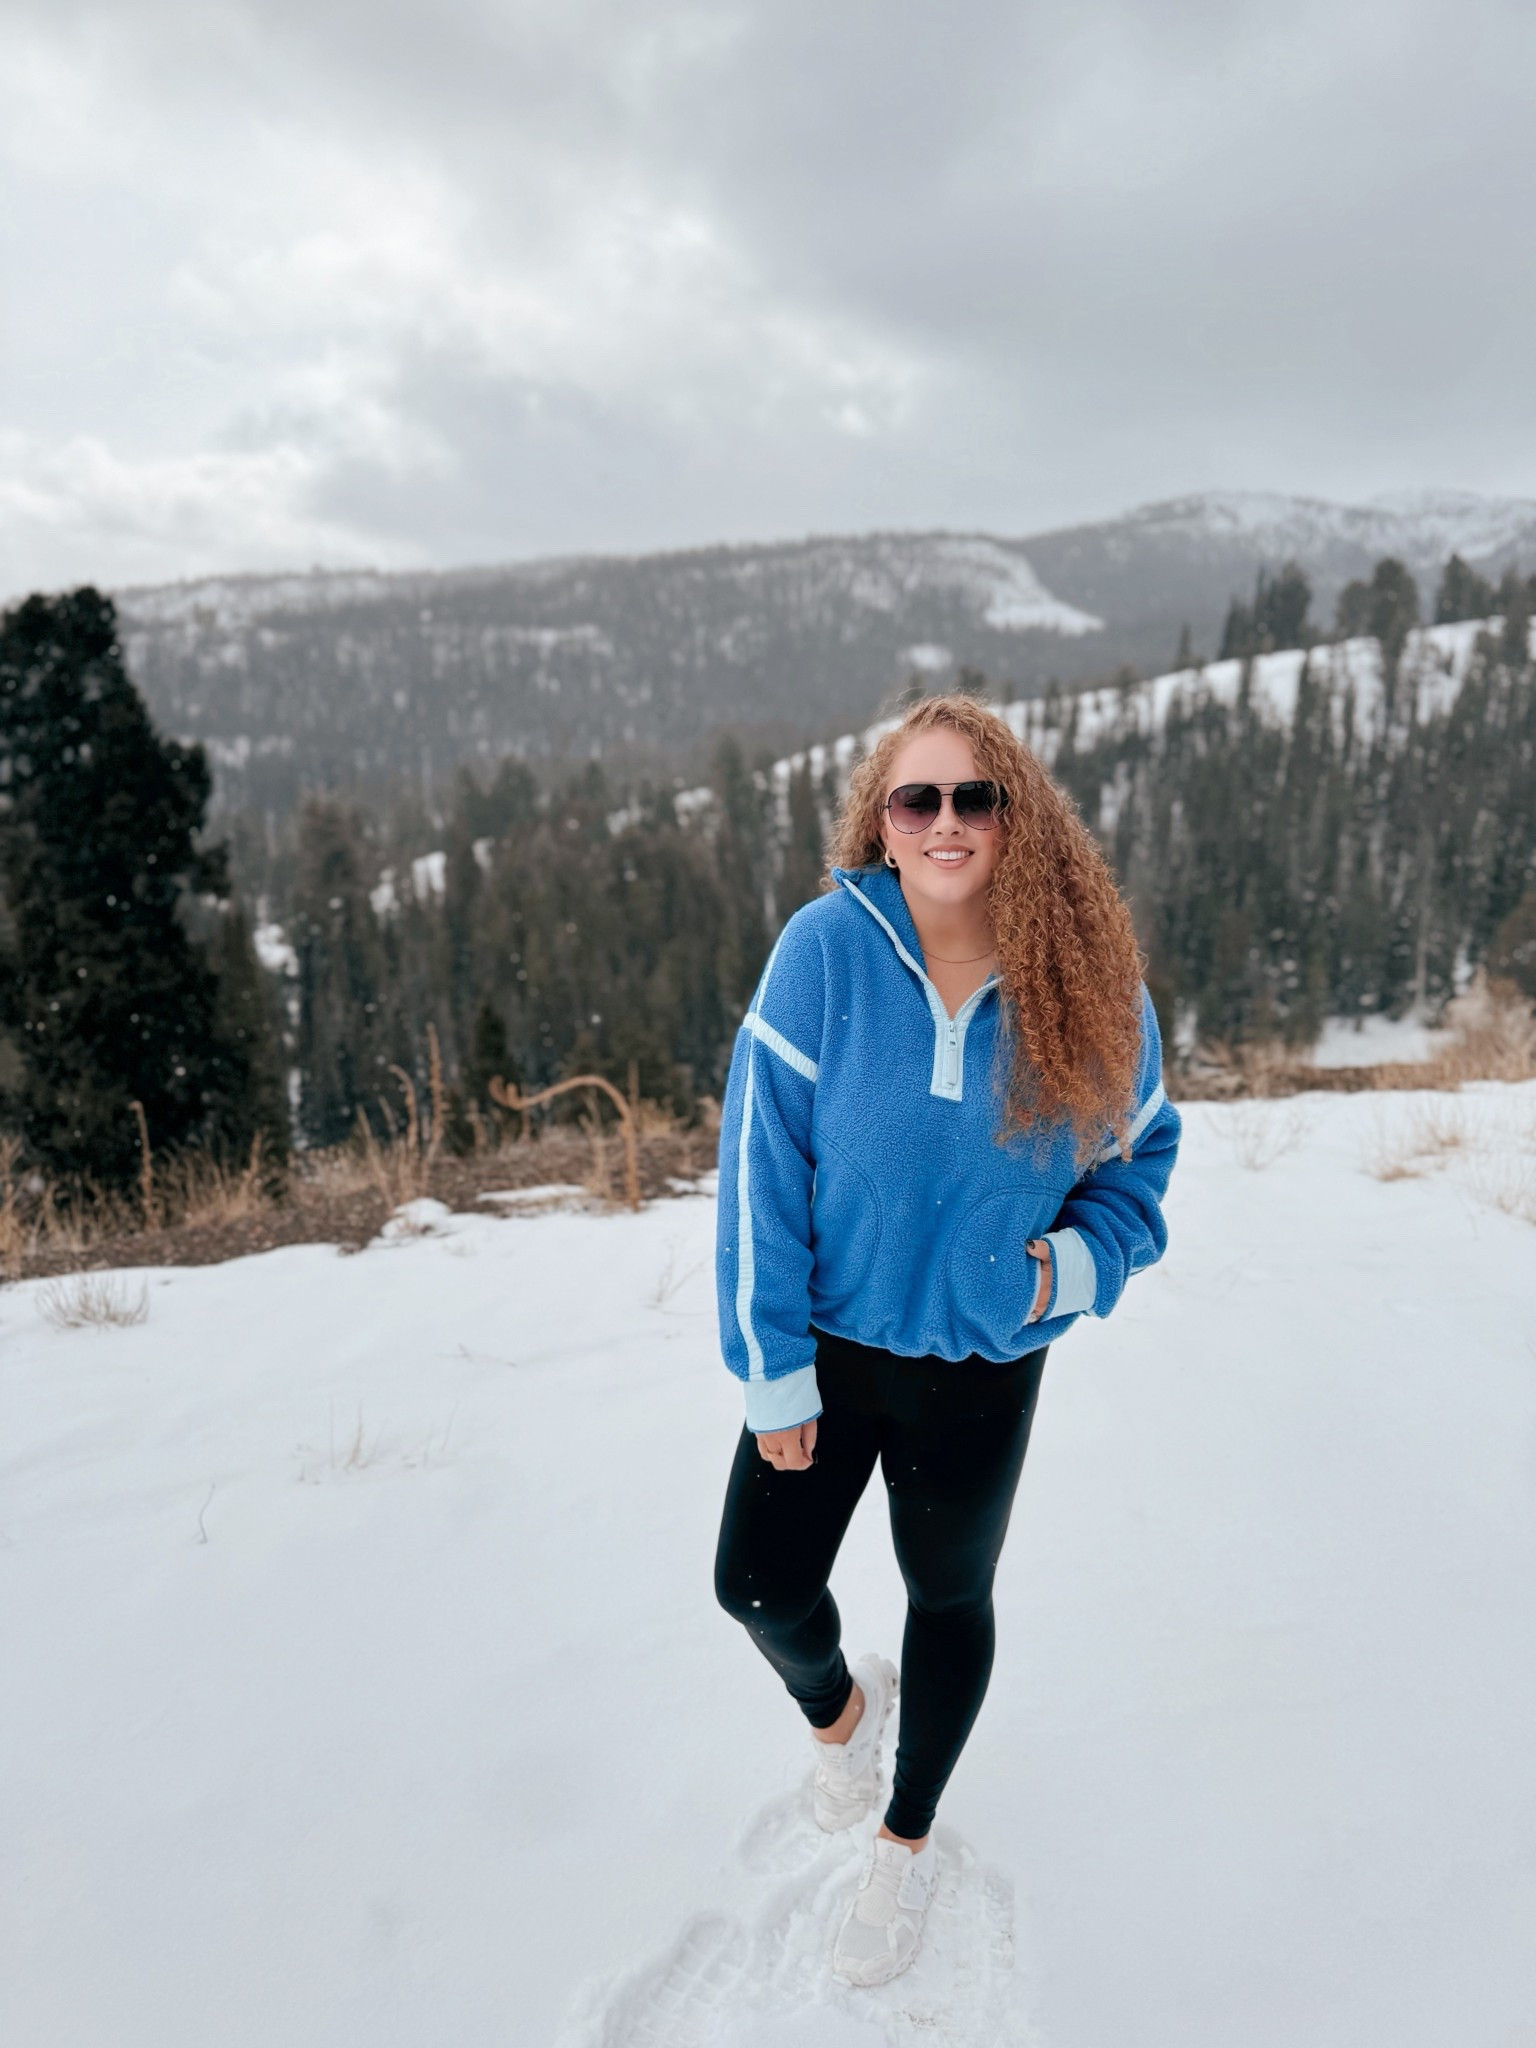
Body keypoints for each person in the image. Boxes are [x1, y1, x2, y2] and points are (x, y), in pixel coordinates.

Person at [712, 693, 1181, 1987]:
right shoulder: (825, 952)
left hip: (982, 1363)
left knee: (948, 1599)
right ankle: (842, 1718)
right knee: (756, 1585)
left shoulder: (1088, 983)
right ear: (883, 818)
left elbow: (1142, 1163)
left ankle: (903, 1843)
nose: (948, 823)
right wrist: (769, 1369)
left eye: (977, 797)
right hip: (829, 1347)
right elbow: (760, 1164)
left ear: (1016, 817)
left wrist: (1071, 1268)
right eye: (920, 799)